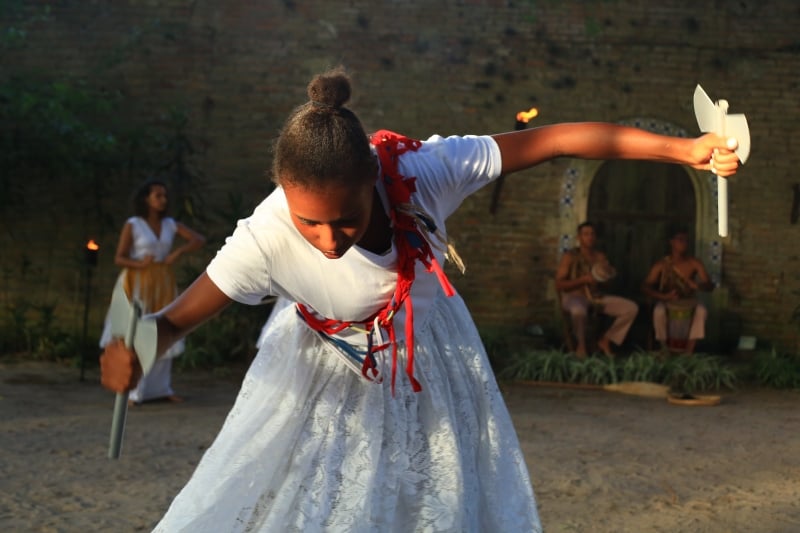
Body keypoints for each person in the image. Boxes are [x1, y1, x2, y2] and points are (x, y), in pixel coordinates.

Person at [100, 67, 740, 532]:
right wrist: (137, 349)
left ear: (373, 182)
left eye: (345, 221)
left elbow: (556, 140)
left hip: (427, 351)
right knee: (324, 505)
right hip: (323, 369)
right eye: (309, 223)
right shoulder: (263, 239)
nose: (327, 241)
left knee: (435, 502)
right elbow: (171, 322)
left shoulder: (424, 172)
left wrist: (684, 151)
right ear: (283, 195)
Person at [99, 178, 205, 405]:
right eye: (157, 195)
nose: (162, 199)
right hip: (137, 279)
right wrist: (140, 264)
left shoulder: (170, 224)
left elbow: (198, 239)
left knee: (164, 325)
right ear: (146, 199)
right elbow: (119, 257)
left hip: (163, 280)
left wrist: (177, 253)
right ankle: (133, 389)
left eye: (164, 195)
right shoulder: (134, 224)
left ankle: (161, 388)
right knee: (136, 327)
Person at [555, 221, 638, 358]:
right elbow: (559, 285)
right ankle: (581, 346)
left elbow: (606, 285)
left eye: (592, 234)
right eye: (586, 234)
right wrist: (583, 280)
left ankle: (606, 340)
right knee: (578, 311)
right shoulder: (569, 256)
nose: (589, 237)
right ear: (579, 238)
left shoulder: (600, 257)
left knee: (631, 308)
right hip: (574, 297)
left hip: (596, 297)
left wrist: (607, 276)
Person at [642, 226, 714, 354]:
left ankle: (689, 352)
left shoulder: (694, 263)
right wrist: (663, 297)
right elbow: (645, 286)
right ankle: (664, 349)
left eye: (686, 240)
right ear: (672, 242)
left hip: (689, 301)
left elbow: (710, 285)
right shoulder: (662, 264)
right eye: (680, 240)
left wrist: (697, 286)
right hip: (667, 300)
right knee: (658, 311)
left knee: (702, 311)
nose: (683, 243)